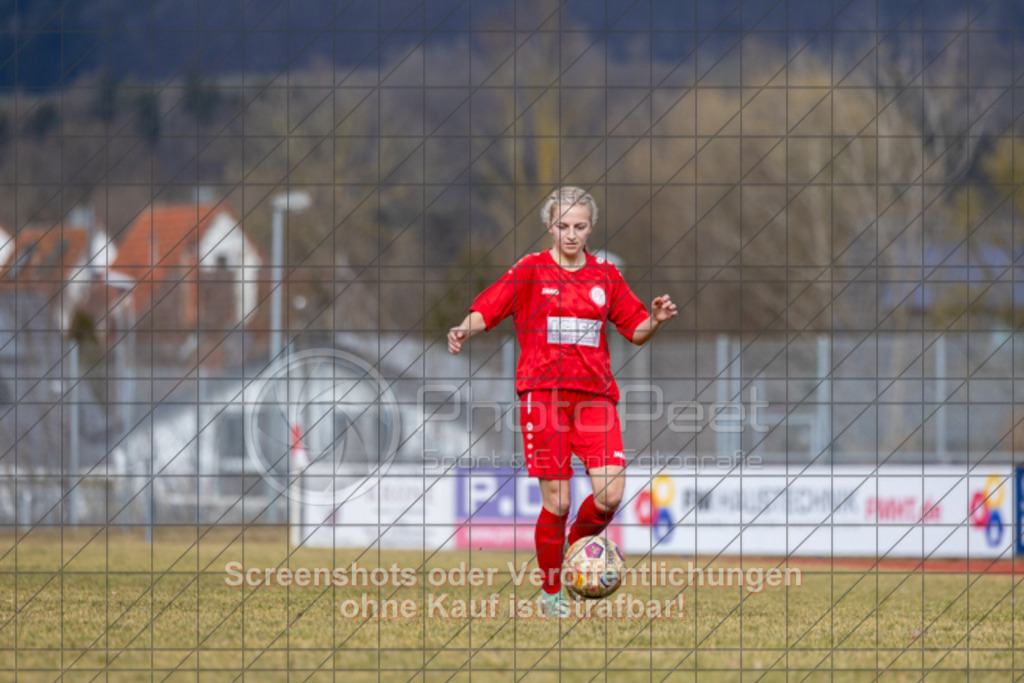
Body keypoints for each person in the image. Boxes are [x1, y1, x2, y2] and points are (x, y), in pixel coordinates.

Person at [447, 186, 677, 617]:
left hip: (595, 399)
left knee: (609, 496)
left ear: (591, 227)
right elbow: (489, 308)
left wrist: (656, 320)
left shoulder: (606, 275)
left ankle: (575, 547)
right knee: (559, 502)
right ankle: (552, 593)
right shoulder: (530, 271)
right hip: (543, 398)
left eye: (579, 226)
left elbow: (636, 331)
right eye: (562, 225)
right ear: (549, 226)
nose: (570, 234)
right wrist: (464, 328)